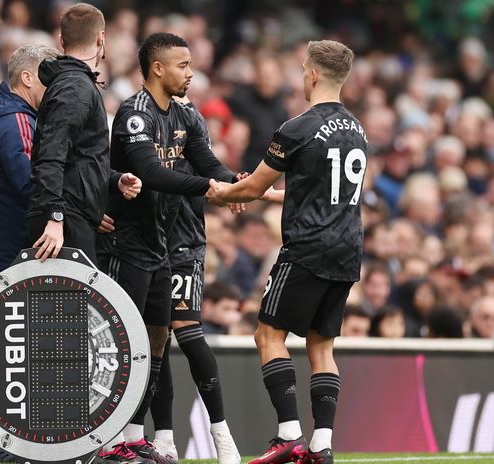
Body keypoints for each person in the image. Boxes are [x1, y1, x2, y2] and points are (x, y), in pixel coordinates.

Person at [207, 39, 364, 464]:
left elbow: (253, 185)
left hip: (307, 247)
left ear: (312, 75)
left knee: (268, 335)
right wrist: (265, 196)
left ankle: (289, 434)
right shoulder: (357, 130)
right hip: (347, 249)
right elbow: (315, 192)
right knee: (322, 346)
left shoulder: (298, 127)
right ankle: (322, 445)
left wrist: (223, 194)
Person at [96, 32, 241, 464]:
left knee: (157, 339)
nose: (191, 73)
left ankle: (140, 437)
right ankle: (110, 437)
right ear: (157, 68)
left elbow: (206, 161)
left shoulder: (185, 113)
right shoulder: (134, 114)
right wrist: (212, 188)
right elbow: (152, 173)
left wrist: (236, 183)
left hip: (165, 244)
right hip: (128, 243)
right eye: (183, 65)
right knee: (126, 342)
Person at [0, 43, 60, 464]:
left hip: (2, 248)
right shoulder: (15, 121)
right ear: (28, 78)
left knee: (7, 344)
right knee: (4, 344)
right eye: (48, 76)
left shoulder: (5, 117)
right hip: (9, 252)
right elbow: (31, 183)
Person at [148, 97, 243, 464]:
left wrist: (232, 183)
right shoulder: (143, 120)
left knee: (187, 332)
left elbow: (212, 169)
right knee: (155, 336)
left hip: (184, 242)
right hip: (148, 241)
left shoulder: (191, 124)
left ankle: (222, 433)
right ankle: (165, 439)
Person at [26, 3, 141, 264]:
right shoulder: (75, 88)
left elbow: (78, 156)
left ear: (61, 40)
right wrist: (55, 217)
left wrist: (112, 179)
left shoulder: (74, 83)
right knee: (66, 306)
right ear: (101, 38)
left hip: (70, 217)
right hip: (62, 226)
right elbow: (50, 156)